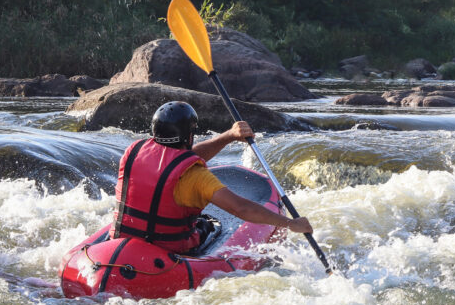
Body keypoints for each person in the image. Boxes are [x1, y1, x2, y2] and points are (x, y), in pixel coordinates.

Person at [109, 101, 312, 253]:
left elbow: (179, 159)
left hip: (121, 243)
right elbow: (241, 208)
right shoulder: (197, 177)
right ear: (189, 137)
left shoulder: (132, 153)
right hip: (167, 252)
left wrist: (229, 136)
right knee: (208, 225)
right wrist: (290, 223)